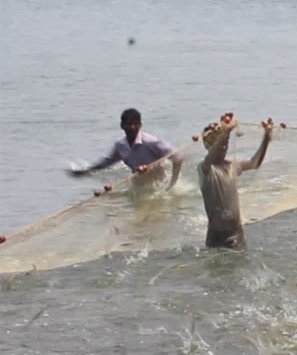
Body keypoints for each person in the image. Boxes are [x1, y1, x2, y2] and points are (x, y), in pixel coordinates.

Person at [198, 114, 273, 250]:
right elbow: (214, 152)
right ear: (209, 146)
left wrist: (266, 137)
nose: (224, 147)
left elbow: (254, 163)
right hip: (216, 237)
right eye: (219, 144)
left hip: (237, 234)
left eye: (225, 145)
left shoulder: (232, 166)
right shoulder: (205, 168)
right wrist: (226, 132)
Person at [68, 107, 183, 188]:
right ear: (122, 126)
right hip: (138, 187)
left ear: (140, 125)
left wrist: (172, 185)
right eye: (128, 124)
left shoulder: (151, 142)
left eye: (135, 124)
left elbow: (178, 157)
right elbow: (106, 163)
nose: (132, 127)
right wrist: (86, 171)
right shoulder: (120, 146)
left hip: (159, 186)